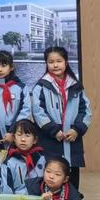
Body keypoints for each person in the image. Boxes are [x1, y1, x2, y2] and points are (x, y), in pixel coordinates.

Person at [31, 46, 91, 189]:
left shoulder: (76, 86)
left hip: (72, 137)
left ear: (66, 62)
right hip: (51, 139)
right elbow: (38, 112)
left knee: (72, 177)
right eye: (51, 62)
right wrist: (54, 130)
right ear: (46, 64)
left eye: (59, 61)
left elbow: (85, 110)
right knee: (51, 175)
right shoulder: (41, 86)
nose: (55, 65)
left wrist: (76, 130)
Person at [2, 119, 46, 194]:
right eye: (19, 135)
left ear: (35, 140)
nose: (23, 139)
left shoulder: (43, 160)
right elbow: (6, 189)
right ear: (14, 138)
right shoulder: (9, 162)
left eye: (27, 135)